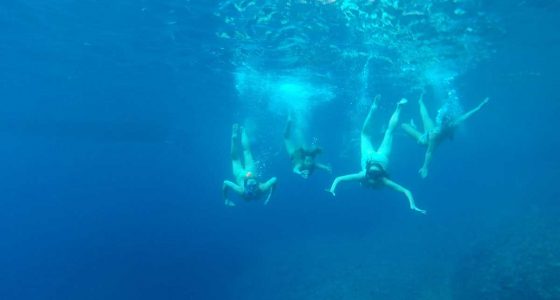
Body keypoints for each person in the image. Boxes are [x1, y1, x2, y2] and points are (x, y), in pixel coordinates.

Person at [327, 96, 426, 214]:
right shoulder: (364, 175)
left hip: (382, 158)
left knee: (389, 132)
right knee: (365, 134)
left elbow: (406, 191)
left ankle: (399, 108)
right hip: (369, 157)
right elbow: (339, 179)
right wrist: (332, 189)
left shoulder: (381, 180)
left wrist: (412, 205)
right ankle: (374, 108)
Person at [401, 93, 489, 178]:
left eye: (448, 122)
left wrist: (481, 106)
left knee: (426, 117)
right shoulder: (436, 134)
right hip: (426, 140)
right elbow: (430, 152)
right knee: (404, 125)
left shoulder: (453, 124)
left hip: (431, 131)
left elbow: (467, 115)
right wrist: (425, 167)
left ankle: (419, 105)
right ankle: (414, 121)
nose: (447, 123)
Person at [222, 124, 277, 206]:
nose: (252, 190)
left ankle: (241, 132)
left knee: (245, 152)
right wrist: (269, 195)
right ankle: (241, 132)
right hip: (242, 173)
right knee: (239, 156)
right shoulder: (261, 189)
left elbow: (225, 182)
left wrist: (226, 199)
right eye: (253, 187)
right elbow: (274, 179)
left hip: (247, 172)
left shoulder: (244, 191)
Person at [283, 114, 332, 179]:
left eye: (310, 161)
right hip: (294, 154)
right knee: (287, 138)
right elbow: (295, 169)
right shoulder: (301, 165)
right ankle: (291, 123)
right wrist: (299, 172)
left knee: (290, 138)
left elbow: (322, 167)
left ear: (312, 161)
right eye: (307, 161)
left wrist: (327, 168)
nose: (309, 163)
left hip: (298, 153)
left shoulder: (313, 165)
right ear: (304, 160)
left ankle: (294, 124)